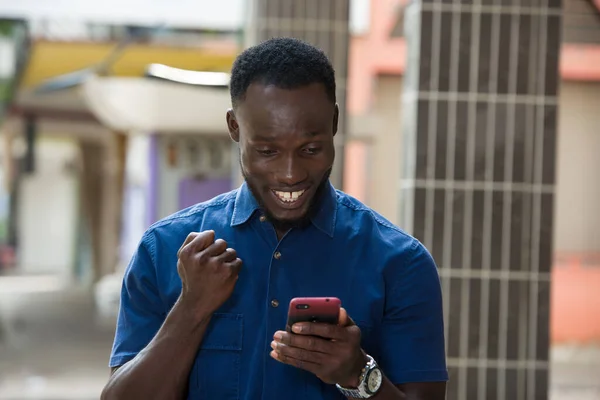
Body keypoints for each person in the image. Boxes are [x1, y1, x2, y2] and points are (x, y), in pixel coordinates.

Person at [101, 37, 447, 400]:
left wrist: (357, 373)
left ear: (334, 122)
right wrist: (191, 310)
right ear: (235, 128)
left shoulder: (400, 264)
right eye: (267, 151)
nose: (290, 173)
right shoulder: (163, 251)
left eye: (310, 150)